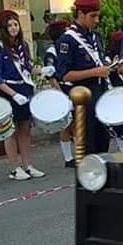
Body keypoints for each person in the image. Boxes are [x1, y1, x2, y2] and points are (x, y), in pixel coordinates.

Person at [0, 10, 46, 181]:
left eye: (15, 24)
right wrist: (13, 94)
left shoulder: (23, 46)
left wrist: (41, 70)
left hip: (24, 90)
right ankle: (15, 167)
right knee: (10, 131)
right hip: (8, 91)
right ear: (3, 29)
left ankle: (28, 165)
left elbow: (26, 68)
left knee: (25, 130)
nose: (13, 28)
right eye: (10, 25)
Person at [55, 0, 111, 156]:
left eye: (98, 15)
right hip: (82, 94)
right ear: (80, 14)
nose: (97, 20)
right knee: (88, 142)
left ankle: (104, 178)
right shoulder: (68, 40)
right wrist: (95, 72)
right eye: (93, 16)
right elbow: (65, 75)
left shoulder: (95, 36)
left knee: (103, 139)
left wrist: (108, 66)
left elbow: (98, 61)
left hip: (100, 90)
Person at [44, 19, 75, 168]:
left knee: (78, 123)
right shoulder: (51, 52)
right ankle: (68, 158)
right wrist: (62, 96)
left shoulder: (69, 47)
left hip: (75, 87)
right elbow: (51, 77)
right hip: (63, 89)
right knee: (65, 125)